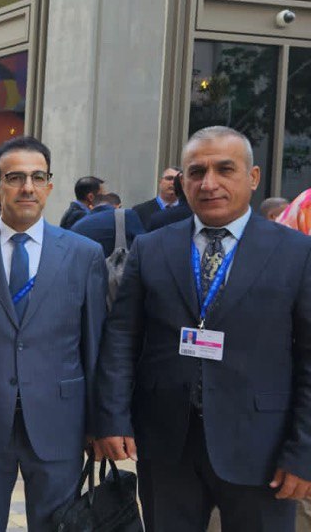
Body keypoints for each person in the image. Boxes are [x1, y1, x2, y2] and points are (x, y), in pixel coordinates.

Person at [97, 126, 311, 531]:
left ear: (253, 177)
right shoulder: (152, 247)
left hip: (263, 448)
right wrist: (112, 417)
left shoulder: (297, 253)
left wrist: (304, 452)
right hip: (166, 445)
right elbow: (122, 338)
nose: (208, 183)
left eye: (224, 169)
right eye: (196, 172)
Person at [0, 137, 108, 531]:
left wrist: (101, 421)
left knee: (56, 525)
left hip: (60, 421)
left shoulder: (84, 254)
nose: (27, 186)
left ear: (49, 184)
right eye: (15, 177)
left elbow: (95, 346)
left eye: (37, 177)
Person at [71, 192, 147, 257]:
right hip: (120, 272)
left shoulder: (76, 226)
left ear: (92, 207)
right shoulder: (125, 215)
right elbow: (144, 247)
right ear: (119, 206)